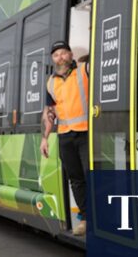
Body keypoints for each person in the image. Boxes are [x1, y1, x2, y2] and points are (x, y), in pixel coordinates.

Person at [40, 40, 89, 236]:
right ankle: (86, 219)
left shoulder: (85, 70)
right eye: (56, 55)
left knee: (90, 175)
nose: (60, 57)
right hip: (65, 136)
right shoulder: (50, 82)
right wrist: (45, 138)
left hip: (86, 133)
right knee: (76, 179)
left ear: (70, 55)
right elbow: (50, 112)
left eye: (63, 53)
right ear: (53, 59)